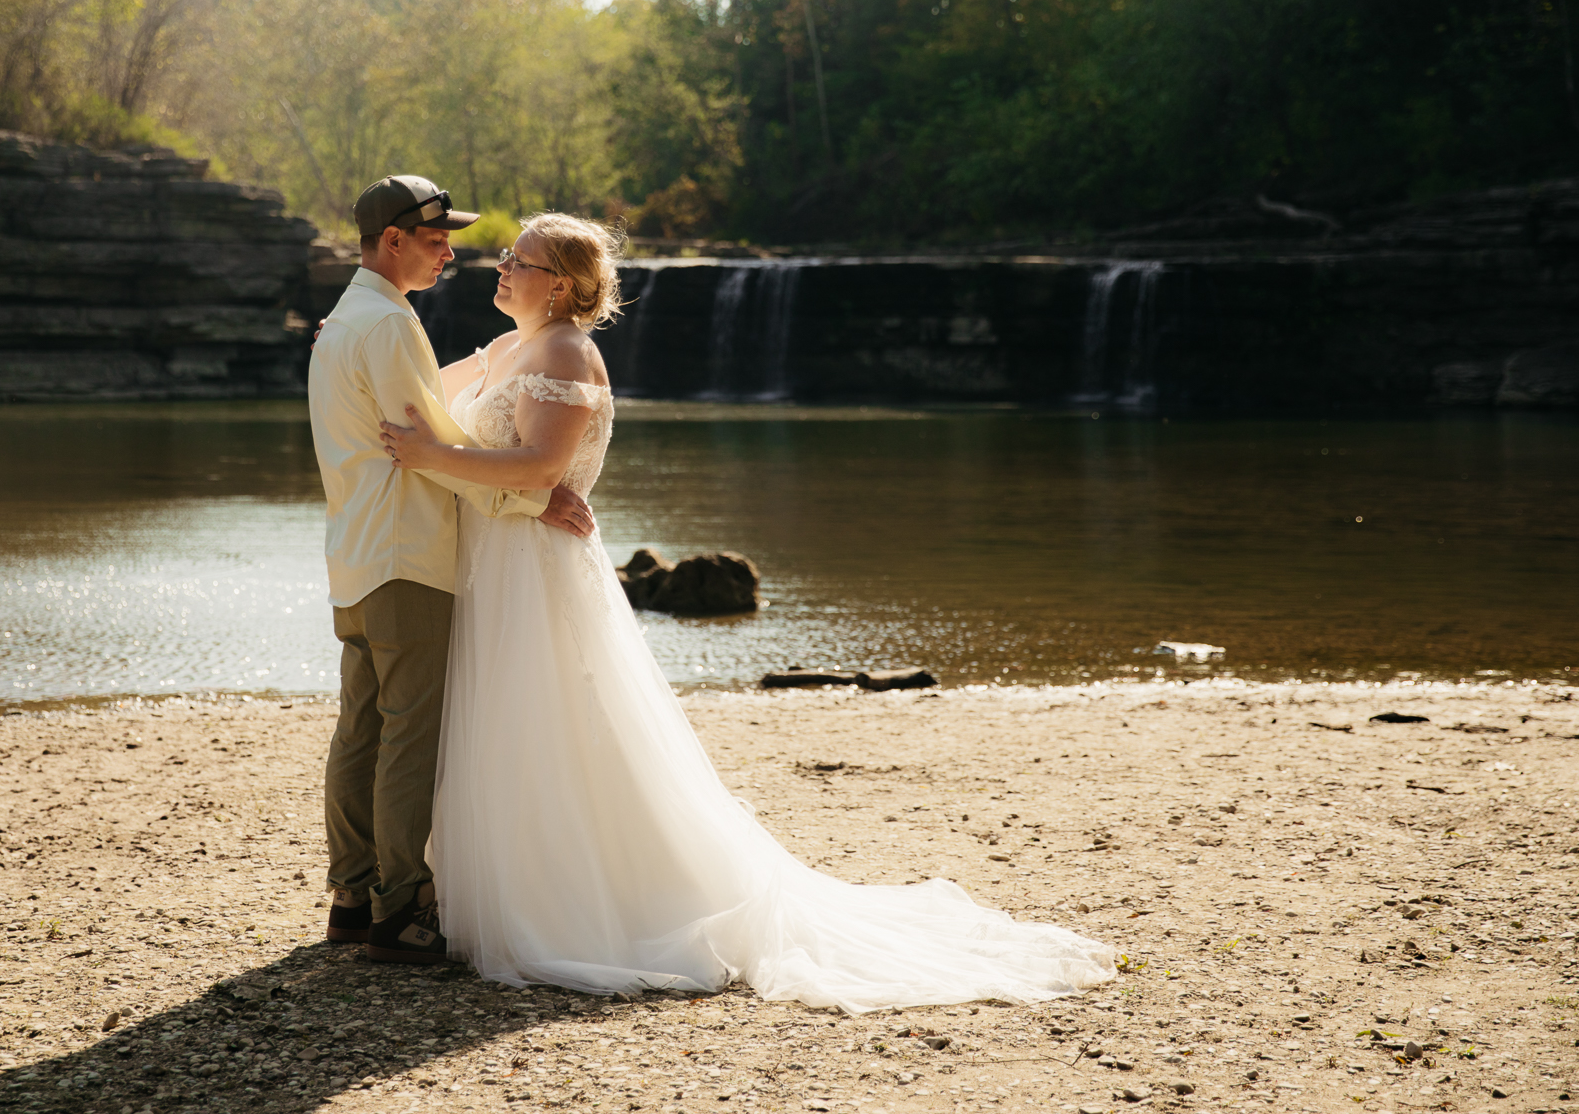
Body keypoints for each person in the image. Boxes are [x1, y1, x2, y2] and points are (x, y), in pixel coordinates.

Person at [379, 213, 1117, 1011]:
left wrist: (429, 456)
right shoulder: (510, 348)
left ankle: (580, 904)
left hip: (535, 570)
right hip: (496, 560)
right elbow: (423, 390)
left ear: (557, 282)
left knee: (552, 728)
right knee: (507, 727)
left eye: (515, 260)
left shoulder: (564, 351)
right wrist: (357, 338)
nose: (499, 267)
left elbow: (541, 465)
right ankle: (512, 888)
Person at [308, 175, 597, 966]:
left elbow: (430, 426)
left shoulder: (347, 321)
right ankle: (399, 906)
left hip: (358, 554)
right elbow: (428, 451)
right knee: (409, 735)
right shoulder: (391, 326)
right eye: (437, 238)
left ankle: (352, 895)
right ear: (393, 240)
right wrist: (530, 505)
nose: (454, 250)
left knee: (362, 725)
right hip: (408, 554)